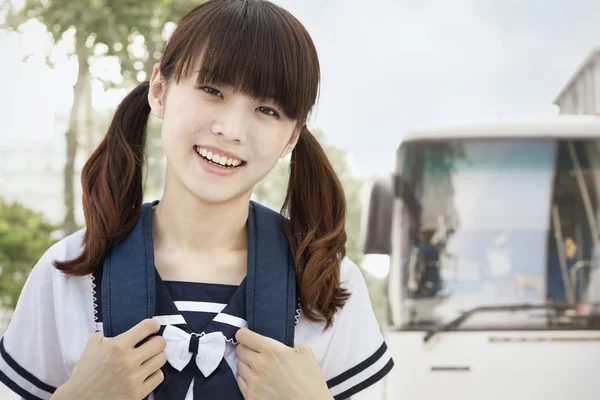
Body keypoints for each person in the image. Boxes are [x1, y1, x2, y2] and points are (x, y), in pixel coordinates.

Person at [0, 1, 394, 399]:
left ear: (291, 137)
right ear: (159, 91)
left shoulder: (328, 287)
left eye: (266, 109)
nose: (231, 129)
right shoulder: (69, 274)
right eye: (212, 90)